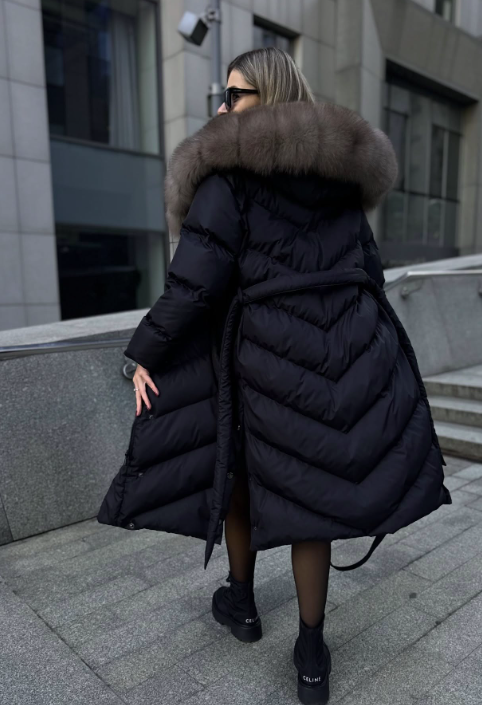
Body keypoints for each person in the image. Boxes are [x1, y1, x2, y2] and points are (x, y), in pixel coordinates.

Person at [99, 47, 450, 705]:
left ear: (270, 94)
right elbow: (370, 274)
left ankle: (242, 602)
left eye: (235, 95)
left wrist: (144, 351)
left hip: (264, 357)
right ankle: (311, 655)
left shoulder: (228, 178)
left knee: (239, 472)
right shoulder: (339, 181)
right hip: (343, 355)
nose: (222, 107)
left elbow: (194, 285)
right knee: (307, 495)